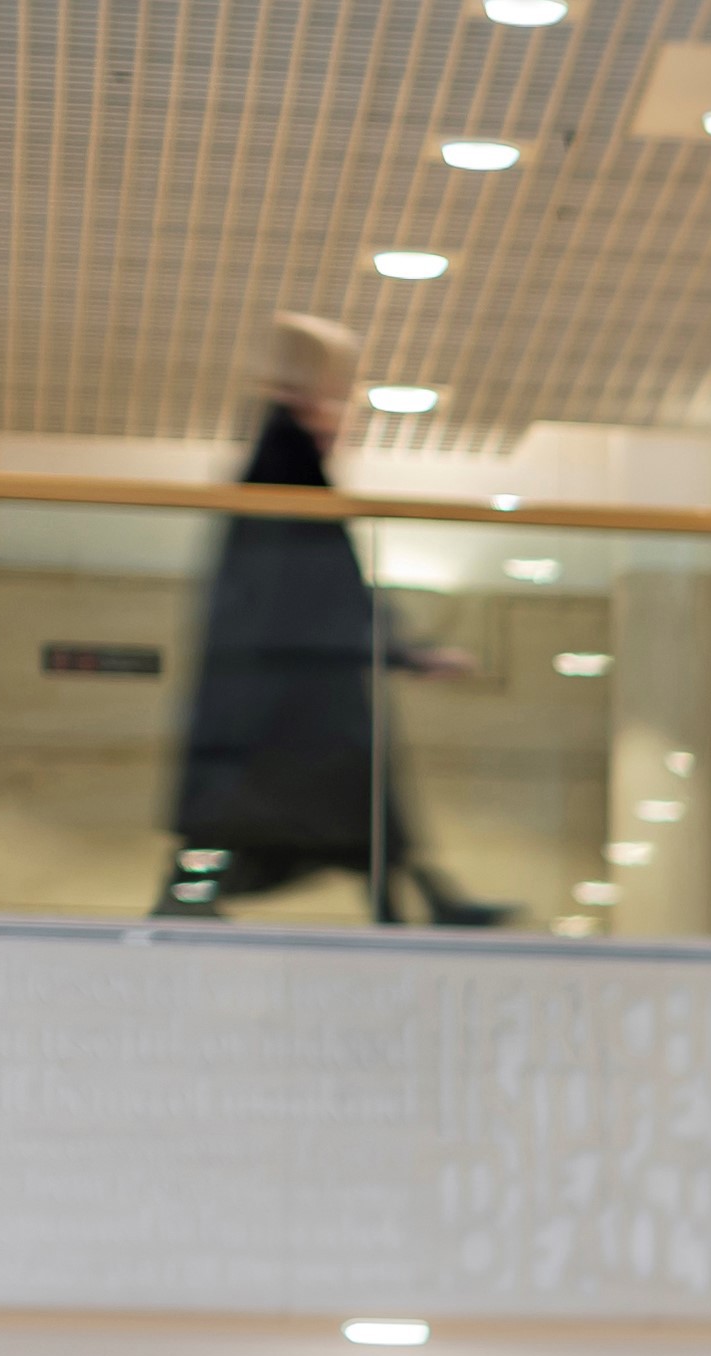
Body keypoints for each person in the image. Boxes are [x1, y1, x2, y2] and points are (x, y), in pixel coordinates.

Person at [157, 312, 505, 927]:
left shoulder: (280, 455)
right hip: (291, 685)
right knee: (336, 799)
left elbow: (321, 583)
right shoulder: (285, 457)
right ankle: (414, 906)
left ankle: (416, 902)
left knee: (331, 804)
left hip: (283, 680)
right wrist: (403, 650)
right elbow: (325, 580)